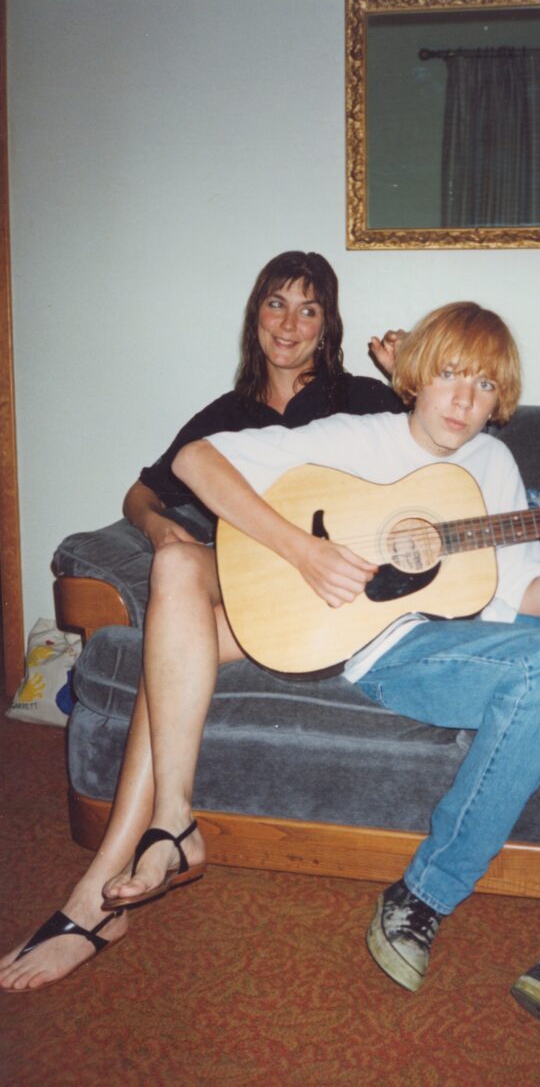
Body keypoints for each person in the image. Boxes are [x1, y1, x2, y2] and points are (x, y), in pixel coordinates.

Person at [169, 301, 540, 1078]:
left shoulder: (494, 465)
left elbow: (519, 610)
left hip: (478, 639)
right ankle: (420, 897)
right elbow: (195, 461)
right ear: (415, 374)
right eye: (448, 374)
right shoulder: (358, 436)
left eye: (482, 385)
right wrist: (302, 552)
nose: (462, 400)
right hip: (387, 646)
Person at [0, 250, 403, 993]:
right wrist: (158, 530)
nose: (288, 323)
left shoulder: (363, 399)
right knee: (177, 569)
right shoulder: (226, 415)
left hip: (329, 600)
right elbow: (140, 492)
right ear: (255, 315)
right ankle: (168, 826)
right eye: (275, 304)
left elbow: (443, 462)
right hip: (246, 589)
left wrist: (408, 378)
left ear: (328, 326)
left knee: (166, 661)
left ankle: (95, 896)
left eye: (307, 309)